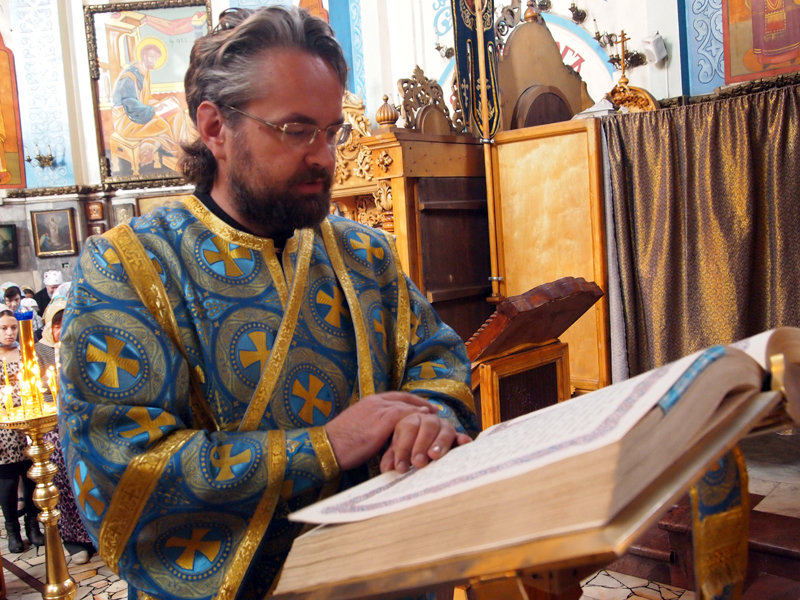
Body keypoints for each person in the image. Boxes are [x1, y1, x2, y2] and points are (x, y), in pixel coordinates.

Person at [60, 7, 477, 600]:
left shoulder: (365, 254)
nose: (324, 156)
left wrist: (427, 419)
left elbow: (438, 362)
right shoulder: (129, 268)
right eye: (296, 130)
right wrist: (324, 446)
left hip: (388, 578)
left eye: (331, 132)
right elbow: (123, 464)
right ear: (215, 128)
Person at [35, 294, 95, 565]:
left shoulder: (82, 344)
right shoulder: (41, 351)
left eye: (65, 322)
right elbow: (37, 391)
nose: (61, 329)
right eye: (56, 324)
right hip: (52, 425)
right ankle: (73, 539)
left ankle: (93, 532)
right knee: (62, 474)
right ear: (49, 325)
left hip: (81, 421)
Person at [0, 310, 44, 553]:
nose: (9, 332)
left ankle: (33, 526)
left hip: (27, 424)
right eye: (4, 328)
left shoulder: (26, 353)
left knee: (30, 479)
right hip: (3, 430)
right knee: (7, 483)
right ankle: (12, 531)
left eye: (13, 328)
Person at [111, 39, 190, 171]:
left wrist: (163, 104)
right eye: (151, 57)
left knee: (175, 108)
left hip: (139, 113)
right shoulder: (129, 77)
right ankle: (173, 151)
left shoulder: (144, 72)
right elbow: (131, 105)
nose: (154, 61)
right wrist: (154, 109)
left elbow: (145, 99)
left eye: (156, 59)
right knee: (163, 124)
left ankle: (176, 148)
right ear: (144, 56)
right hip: (127, 121)